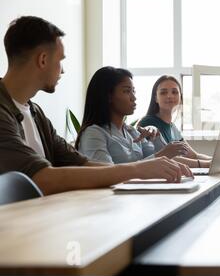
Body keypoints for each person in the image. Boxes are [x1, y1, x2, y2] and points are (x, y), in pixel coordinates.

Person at [0, 16, 192, 196]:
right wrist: (137, 170)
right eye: (60, 61)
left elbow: (80, 162)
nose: (63, 69)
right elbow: (40, 178)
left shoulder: (35, 112)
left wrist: (145, 169)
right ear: (42, 60)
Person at [76, 67, 207, 168]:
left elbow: (155, 159)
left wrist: (156, 139)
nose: (133, 97)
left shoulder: (133, 132)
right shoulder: (93, 133)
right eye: (127, 91)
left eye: (133, 91)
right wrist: (164, 153)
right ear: (108, 96)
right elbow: (107, 174)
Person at [138, 75, 212, 167]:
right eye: (163, 93)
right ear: (156, 98)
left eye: (174, 92)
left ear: (180, 97)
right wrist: (207, 164)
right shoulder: (149, 123)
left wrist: (216, 160)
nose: (169, 96)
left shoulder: (173, 127)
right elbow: (167, 158)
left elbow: (193, 155)